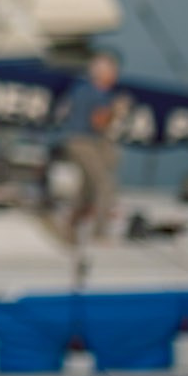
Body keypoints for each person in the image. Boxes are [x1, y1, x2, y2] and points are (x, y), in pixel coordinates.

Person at [54, 47, 128, 243]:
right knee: (104, 184)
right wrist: (116, 110)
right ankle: (100, 233)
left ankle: (69, 229)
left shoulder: (82, 89)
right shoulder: (96, 93)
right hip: (84, 142)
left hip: (77, 140)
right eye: (112, 71)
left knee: (86, 189)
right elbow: (99, 123)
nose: (115, 75)